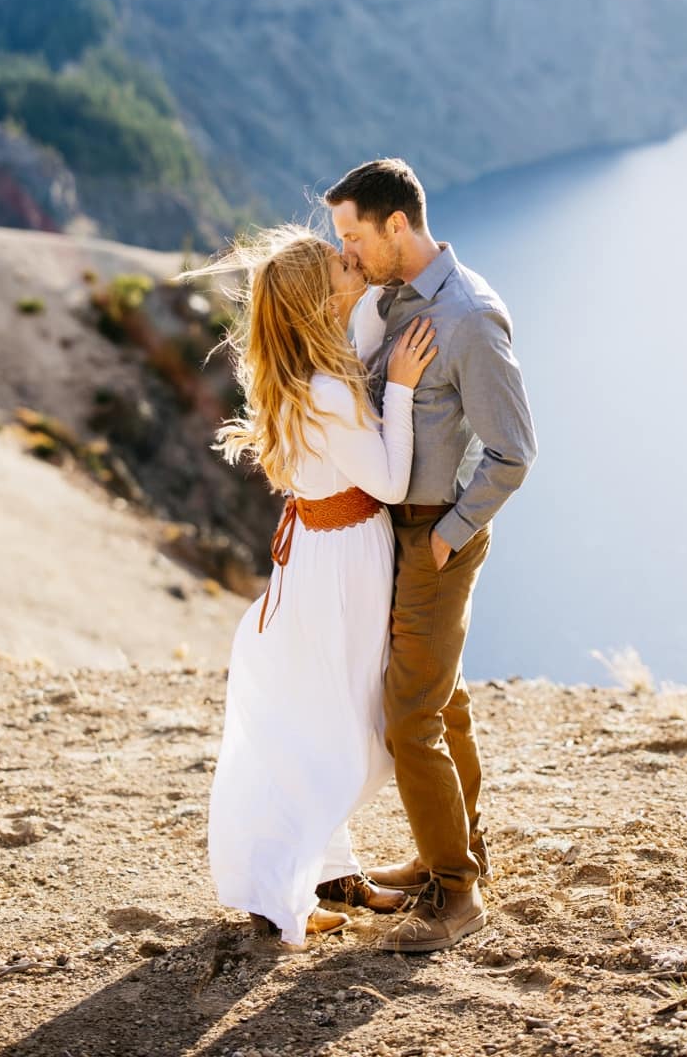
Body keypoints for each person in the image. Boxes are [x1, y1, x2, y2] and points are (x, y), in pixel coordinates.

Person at [202, 226, 437, 948]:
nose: (353, 261)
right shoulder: (328, 388)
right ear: (319, 296)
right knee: (349, 728)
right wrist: (399, 390)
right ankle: (280, 889)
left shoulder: (300, 368)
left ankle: (331, 871)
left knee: (324, 712)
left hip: (316, 553)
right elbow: (390, 480)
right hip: (343, 561)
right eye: (341, 263)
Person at [325, 157, 536, 955]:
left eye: (353, 236)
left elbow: (514, 452)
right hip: (396, 529)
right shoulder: (390, 301)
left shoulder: (470, 317)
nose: (347, 252)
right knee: (441, 702)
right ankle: (455, 852)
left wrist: (448, 534)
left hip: (437, 536)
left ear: (398, 227)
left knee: (409, 716)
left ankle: (457, 896)